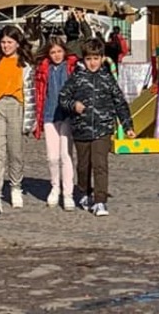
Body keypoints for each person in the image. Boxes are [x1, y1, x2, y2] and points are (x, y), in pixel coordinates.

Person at [59, 38, 135, 216]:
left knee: (100, 164)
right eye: (89, 59)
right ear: (83, 59)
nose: (92, 62)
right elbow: (63, 98)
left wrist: (127, 125)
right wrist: (73, 105)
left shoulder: (107, 78)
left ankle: (100, 201)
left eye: (96, 58)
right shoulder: (76, 78)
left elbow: (120, 103)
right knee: (84, 166)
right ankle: (84, 192)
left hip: (103, 129)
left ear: (102, 58)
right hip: (81, 129)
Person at [0, 25, 35, 215]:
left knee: (15, 151)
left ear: (18, 43)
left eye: (10, 42)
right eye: (3, 42)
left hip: (17, 107)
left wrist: (30, 119)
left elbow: (31, 93)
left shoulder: (26, 65)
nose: (6, 46)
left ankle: (15, 186)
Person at [33, 35, 79, 210]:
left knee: (66, 155)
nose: (57, 55)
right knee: (52, 157)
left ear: (64, 51)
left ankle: (68, 193)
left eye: (59, 51)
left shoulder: (72, 67)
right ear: (48, 53)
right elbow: (39, 91)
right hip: (49, 114)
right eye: (53, 52)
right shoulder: (44, 69)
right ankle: (55, 187)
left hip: (67, 114)